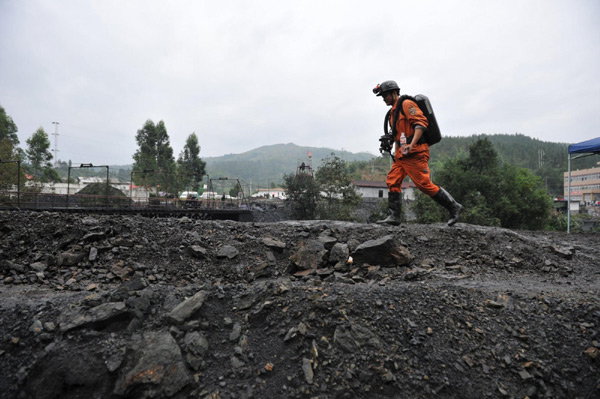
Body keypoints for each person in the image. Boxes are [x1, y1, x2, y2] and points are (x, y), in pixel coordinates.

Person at [373, 80, 463, 226]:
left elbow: (421, 124)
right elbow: (399, 134)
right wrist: (389, 142)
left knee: (423, 184)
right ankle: (394, 216)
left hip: (415, 153)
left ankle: (454, 207)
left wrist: (412, 144)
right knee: (393, 180)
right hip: (402, 156)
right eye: (382, 96)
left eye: (385, 95)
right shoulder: (392, 112)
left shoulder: (407, 105)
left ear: (394, 93)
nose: (384, 99)